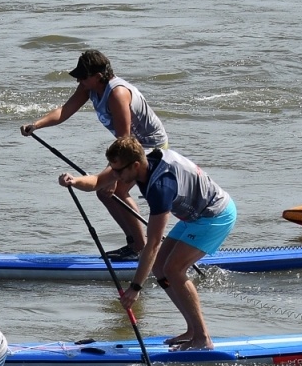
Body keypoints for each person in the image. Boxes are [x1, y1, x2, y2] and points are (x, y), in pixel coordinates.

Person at [60, 136, 236, 350]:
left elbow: (152, 243)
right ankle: (192, 329)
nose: (114, 177)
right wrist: (74, 181)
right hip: (194, 215)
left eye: (118, 172)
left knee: (174, 270)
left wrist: (135, 287)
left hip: (215, 214)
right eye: (112, 171)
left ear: (135, 165)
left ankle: (203, 338)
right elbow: (97, 181)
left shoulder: (160, 187)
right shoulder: (137, 163)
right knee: (160, 267)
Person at [21, 49, 169, 258]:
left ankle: (141, 249)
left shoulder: (117, 94)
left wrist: (115, 177)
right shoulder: (89, 88)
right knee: (104, 191)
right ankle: (135, 244)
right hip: (128, 145)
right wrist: (35, 125)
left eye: (83, 76)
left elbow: (124, 139)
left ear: (98, 76)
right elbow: (64, 111)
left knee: (115, 191)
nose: (79, 81)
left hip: (149, 146)